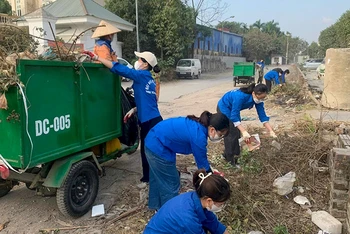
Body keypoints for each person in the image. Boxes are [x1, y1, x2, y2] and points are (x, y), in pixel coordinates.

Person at [83, 50, 163, 189]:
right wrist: (134, 110)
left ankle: (148, 179)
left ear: (145, 65)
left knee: (148, 151)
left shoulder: (140, 76)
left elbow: (119, 68)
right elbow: (150, 101)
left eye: (139, 59)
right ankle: (158, 176)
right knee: (156, 150)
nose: (137, 61)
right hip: (155, 119)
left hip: (149, 122)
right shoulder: (149, 79)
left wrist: (97, 57)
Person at [144, 111, 230, 210]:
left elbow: (202, 161)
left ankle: (155, 206)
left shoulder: (198, 126)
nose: (220, 138)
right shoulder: (199, 137)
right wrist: (213, 177)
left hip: (155, 140)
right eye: (221, 135)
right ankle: (169, 213)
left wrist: (210, 172)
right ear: (212, 129)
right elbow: (202, 164)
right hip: (157, 146)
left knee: (158, 177)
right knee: (171, 183)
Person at [143, 169, 231, 234]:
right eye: (220, 204)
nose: (221, 206)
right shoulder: (188, 219)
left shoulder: (196, 199)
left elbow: (213, 224)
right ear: (209, 200)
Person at [217, 83, 277, 166]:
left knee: (237, 133)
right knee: (231, 133)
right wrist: (244, 131)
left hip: (234, 109)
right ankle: (230, 160)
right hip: (224, 107)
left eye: (263, 98)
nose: (261, 100)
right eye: (260, 97)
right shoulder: (240, 96)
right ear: (253, 93)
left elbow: (262, 116)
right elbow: (234, 116)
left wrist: (271, 131)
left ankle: (232, 155)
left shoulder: (258, 100)